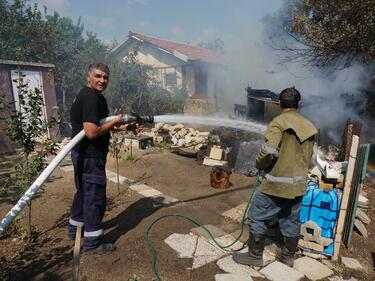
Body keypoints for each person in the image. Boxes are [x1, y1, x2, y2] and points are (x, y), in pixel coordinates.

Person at [233, 87, 318, 267]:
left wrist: (259, 164)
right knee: (290, 219)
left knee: (257, 215)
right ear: (299, 104)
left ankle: (255, 256)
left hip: (276, 185)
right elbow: (312, 160)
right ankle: (287, 256)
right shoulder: (310, 127)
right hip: (298, 186)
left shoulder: (278, 122)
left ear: (279, 104)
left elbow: (269, 152)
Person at [68, 63, 141, 255]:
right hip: (90, 157)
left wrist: (126, 127)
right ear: (88, 76)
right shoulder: (91, 98)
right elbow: (92, 132)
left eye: (105, 77)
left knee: (83, 192)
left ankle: (75, 229)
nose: (102, 80)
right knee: (94, 197)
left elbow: (102, 124)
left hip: (82, 154)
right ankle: (92, 244)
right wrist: (116, 120)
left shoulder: (91, 96)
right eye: (98, 76)